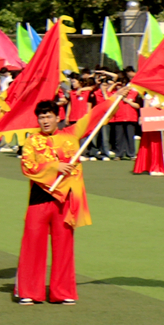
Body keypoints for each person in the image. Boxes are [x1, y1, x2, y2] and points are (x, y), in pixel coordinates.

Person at [17, 91, 128, 304]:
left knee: (64, 247)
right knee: (32, 245)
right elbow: (27, 167)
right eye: (41, 117)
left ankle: (62, 292)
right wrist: (54, 166)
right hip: (39, 199)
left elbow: (94, 116)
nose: (45, 121)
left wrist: (115, 98)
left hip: (65, 200)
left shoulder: (71, 134)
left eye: (48, 116)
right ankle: (29, 292)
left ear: (57, 117)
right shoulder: (32, 141)